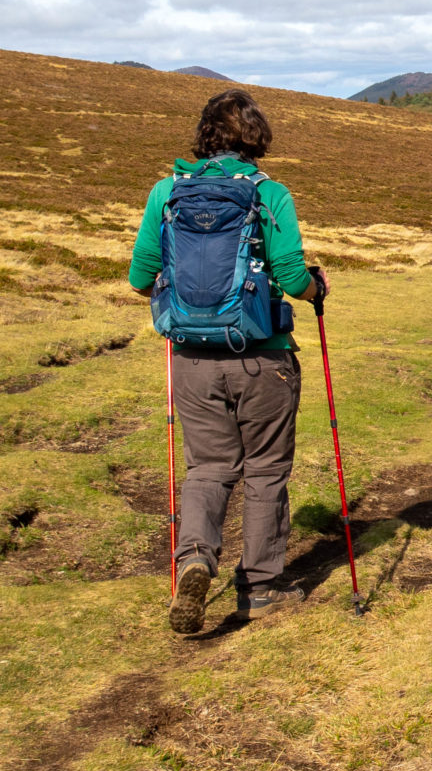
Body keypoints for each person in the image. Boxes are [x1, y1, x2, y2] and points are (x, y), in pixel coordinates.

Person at [127, 89, 328, 634]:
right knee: (265, 470)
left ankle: (194, 559)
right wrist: (315, 288)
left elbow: (139, 277)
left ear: (204, 134)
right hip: (262, 360)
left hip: (191, 358)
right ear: (256, 136)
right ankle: (260, 590)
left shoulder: (166, 192)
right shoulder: (270, 194)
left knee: (209, 468)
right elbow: (290, 276)